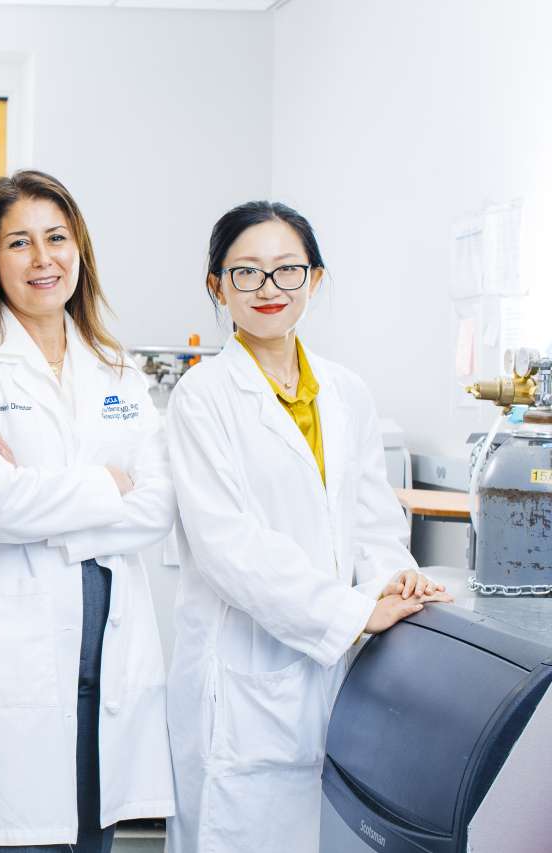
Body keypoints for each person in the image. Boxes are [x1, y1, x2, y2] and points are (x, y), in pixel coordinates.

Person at [164, 201, 452, 853]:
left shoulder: (346, 392)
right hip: (240, 681)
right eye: (246, 272)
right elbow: (230, 547)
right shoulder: (202, 398)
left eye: (287, 269)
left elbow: (371, 516)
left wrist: (395, 579)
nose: (269, 288)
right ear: (217, 286)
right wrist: (352, 612)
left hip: (331, 678)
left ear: (314, 279)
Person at [0, 170, 177, 851]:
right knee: (23, 837)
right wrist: (107, 483)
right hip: (16, 661)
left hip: (108, 657)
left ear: (79, 248)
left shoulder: (116, 367)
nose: (42, 259)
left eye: (56, 238)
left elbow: (158, 504)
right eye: (19, 242)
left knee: (95, 834)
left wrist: (37, 494)